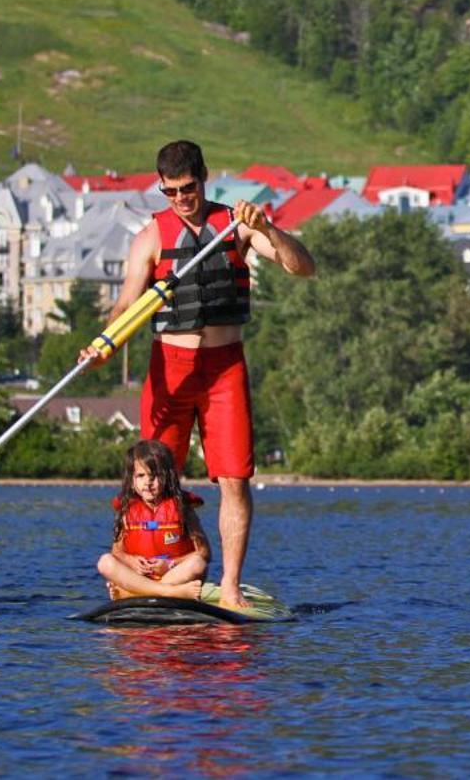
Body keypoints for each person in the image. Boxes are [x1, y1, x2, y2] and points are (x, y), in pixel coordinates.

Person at [81, 139, 316, 609]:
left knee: (234, 479)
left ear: (204, 177)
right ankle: (139, 574)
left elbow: (302, 267)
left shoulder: (236, 224)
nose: (181, 200)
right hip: (170, 367)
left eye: (187, 189)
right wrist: (103, 343)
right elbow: (127, 303)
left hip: (224, 368)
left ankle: (228, 585)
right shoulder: (150, 236)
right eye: (169, 192)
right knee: (150, 479)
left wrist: (267, 227)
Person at [97, 439, 211, 600]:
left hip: (174, 575)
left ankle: (133, 593)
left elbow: (204, 553)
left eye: (154, 476)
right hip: (141, 578)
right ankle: (166, 592)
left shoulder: (183, 508)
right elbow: (117, 552)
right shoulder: (127, 510)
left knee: (198, 564)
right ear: (132, 480)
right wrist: (131, 561)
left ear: (167, 477)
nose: (147, 483)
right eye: (141, 476)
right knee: (105, 562)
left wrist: (170, 565)